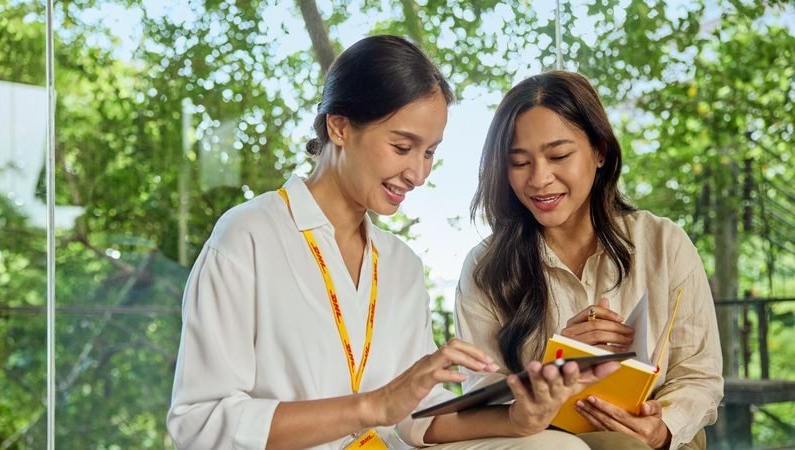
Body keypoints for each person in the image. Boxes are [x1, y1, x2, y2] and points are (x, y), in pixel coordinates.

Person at [167, 37, 617, 450]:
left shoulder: (400, 264)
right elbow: (198, 422)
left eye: (429, 153)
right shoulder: (248, 236)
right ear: (339, 127)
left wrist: (517, 420)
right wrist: (371, 407)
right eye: (403, 147)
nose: (418, 174)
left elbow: (415, 416)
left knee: (554, 446)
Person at [455, 70, 723, 450]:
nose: (539, 179)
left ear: (599, 151)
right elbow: (480, 397)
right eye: (519, 163)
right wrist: (555, 362)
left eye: (559, 155)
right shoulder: (485, 268)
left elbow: (700, 375)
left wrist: (662, 428)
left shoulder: (663, 243)